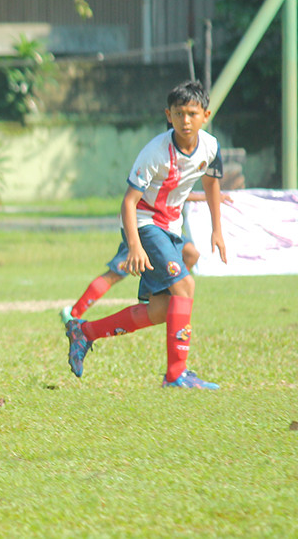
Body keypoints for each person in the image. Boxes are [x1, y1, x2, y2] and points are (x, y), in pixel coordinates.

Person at [65, 80, 227, 389]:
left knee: (160, 310)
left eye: (192, 113)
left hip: (170, 228)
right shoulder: (155, 152)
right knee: (185, 286)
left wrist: (217, 229)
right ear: (168, 115)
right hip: (144, 223)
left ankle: (84, 332)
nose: (185, 120)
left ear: (205, 116)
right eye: (178, 113)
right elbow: (128, 202)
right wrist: (135, 246)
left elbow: (211, 184)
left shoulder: (211, 147)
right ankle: (176, 374)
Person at [61, 191, 232, 322]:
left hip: (166, 229)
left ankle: (166, 291)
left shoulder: (179, 167)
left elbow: (179, 193)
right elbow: (134, 195)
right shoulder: (156, 163)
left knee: (191, 254)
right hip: (143, 229)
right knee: (115, 274)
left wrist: (210, 197)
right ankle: (74, 314)